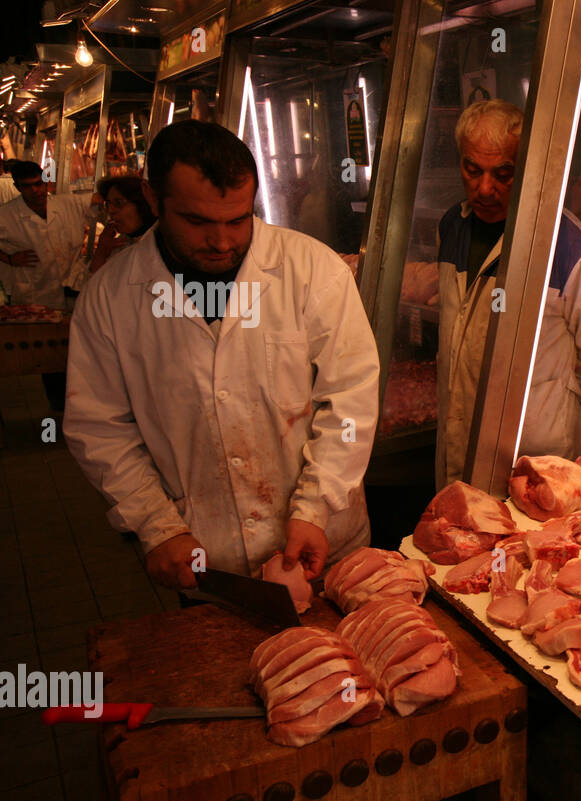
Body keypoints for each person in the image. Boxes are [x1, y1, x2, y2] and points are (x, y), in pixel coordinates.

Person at [63, 120, 380, 590]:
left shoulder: (314, 271)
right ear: (153, 200)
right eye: (198, 222)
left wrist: (316, 505)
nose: (223, 241)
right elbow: (100, 427)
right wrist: (157, 526)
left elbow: (349, 400)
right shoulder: (110, 298)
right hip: (207, 557)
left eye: (237, 220)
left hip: (324, 542)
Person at [436, 99, 581, 489]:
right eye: (472, 170)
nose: (484, 188)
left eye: (503, 174)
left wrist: (555, 393)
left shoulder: (571, 247)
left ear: (526, 170)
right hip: (460, 441)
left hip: (539, 455)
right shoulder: (452, 227)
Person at [0, 159, 95, 409]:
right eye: (29, 186)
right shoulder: (7, 215)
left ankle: (81, 402)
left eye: (40, 183)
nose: (37, 190)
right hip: (35, 292)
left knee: (79, 347)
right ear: (18, 188)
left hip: (72, 285)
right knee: (49, 354)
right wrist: (8, 258)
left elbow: (97, 201)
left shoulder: (65, 203)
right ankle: (58, 406)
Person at [89, 174, 156, 273]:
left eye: (119, 203)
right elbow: (94, 285)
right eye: (108, 204)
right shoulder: (121, 243)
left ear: (142, 205)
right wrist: (101, 252)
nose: (111, 210)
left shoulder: (158, 248)